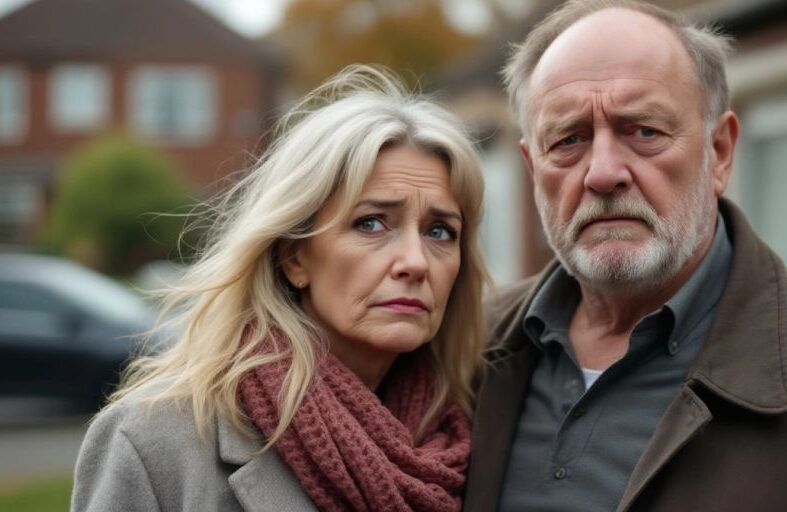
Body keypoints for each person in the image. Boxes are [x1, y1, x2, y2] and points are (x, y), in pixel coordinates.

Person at [463, 1, 787, 511]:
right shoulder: (461, 356)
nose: (603, 172)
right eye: (568, 140)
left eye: (644, 132)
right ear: (533, 171)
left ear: (719, 152)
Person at [72, 64, 488, 512]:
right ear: (294, 258)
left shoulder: (471, 436)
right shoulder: (153, 444)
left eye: (440, 231)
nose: (415, 261)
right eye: (371, 223)